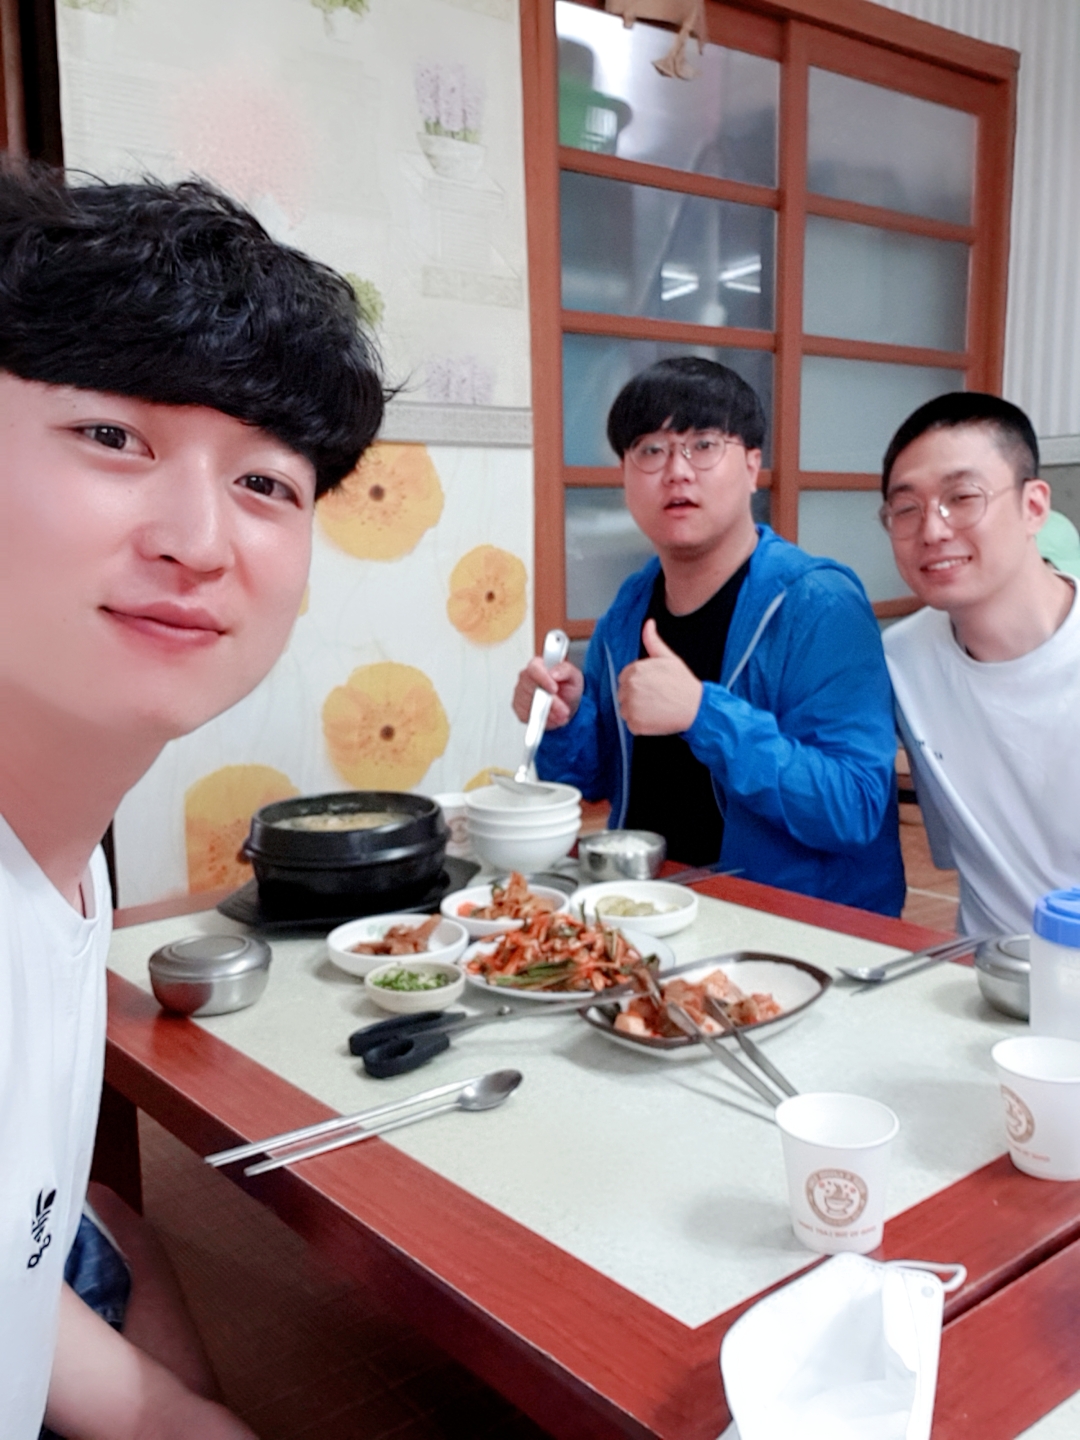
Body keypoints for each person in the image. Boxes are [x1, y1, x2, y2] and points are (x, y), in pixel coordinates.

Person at [0, 162, 386, 1438]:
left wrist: (169, 1418)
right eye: (113, 437)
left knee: (111, 1223)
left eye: (264, 483)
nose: (197, 541)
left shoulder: (70, 840)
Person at [514, 357, 905, 915]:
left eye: (703, 444)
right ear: (624, 474)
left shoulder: (818, 604)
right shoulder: (629, 608)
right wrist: (563, 717)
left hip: (791, 929)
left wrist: (702, 713)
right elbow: (593, 780)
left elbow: (854, 806)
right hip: (648, 903)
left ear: (752, 466)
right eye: (651, 449)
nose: (677, 471)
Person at [880, 392, 1079, 937]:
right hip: (980, 975)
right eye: (906, 508)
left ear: (1033, 506)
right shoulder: (901, 661)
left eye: (962, 497)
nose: (933, 530)